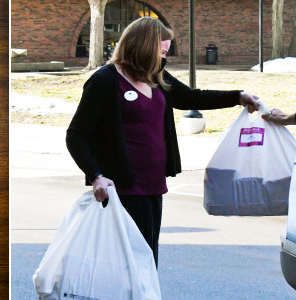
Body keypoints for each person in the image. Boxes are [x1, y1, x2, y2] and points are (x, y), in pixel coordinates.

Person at [65, 17, 261, 265]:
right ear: (143, 47)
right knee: (125, 265)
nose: (163, 59)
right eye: (161, 52)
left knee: (146, 260)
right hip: (121, 189)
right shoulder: (105, 80)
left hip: (153, 185)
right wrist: (96, 176)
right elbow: (76, 135)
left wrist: (238, 97)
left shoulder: (155, 76)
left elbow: (192, 98)